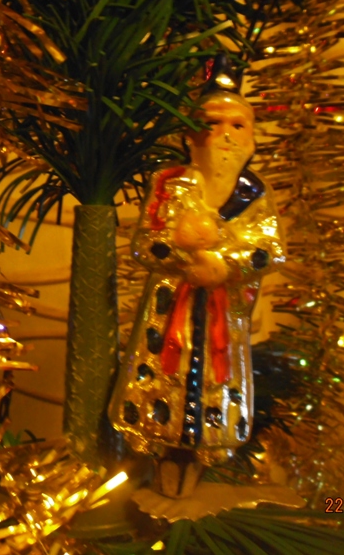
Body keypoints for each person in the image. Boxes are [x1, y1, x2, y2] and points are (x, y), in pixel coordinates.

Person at [108, 56, 285, 496]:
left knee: (216, 386)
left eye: (237, 125)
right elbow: (145, 244)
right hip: (169, 315)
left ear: (251, 137)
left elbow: (269, 249)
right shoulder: (170, 185)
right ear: (189, 135)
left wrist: (226, 266)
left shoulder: (255, 194)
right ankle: (159, 451)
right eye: (212, 123)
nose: (226, 134)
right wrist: (182, 251)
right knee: (161, 382)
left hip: (227, 319)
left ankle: (204, 455)